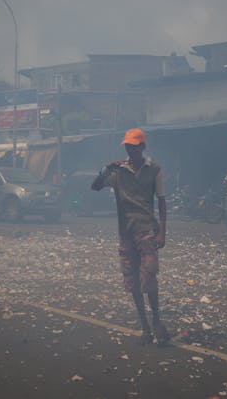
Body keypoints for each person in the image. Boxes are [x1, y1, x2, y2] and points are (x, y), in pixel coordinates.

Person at [91, 128, 169, 346]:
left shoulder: (154, 170)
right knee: (133, 282)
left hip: (147, 232)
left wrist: (162, 232)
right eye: (127, 146)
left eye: (134, 146)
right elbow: (95, 186)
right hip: (126, 234)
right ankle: (145, 327)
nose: (130, 149)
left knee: (149, 279)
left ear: (142, 147)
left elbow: (161, 202)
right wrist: (107, 168)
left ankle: (156, 321)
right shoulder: (117, 173)